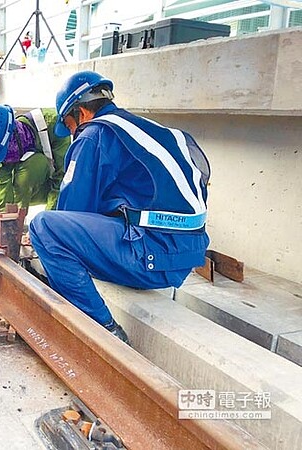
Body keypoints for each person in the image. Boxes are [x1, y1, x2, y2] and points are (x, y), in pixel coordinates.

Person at [29, 71, 211, 344]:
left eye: (68, 124)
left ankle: (103, 329)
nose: (70, 132)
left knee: (43, 228)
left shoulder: (94, 134)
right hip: (184, 258)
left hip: (149, 256)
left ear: (80, 112)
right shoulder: (151, 131)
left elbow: (71, 212)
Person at [0, 104, 70, 211]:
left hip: (66, 185)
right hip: (32, 188)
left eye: (6, 152)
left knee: (34, 165)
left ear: (14, 132)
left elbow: (63, 177)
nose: (5, 160)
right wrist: (4, 220)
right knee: (13, 191)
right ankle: (18, 216)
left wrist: (49, 218)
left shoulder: (56, 126)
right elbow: (2, 193)